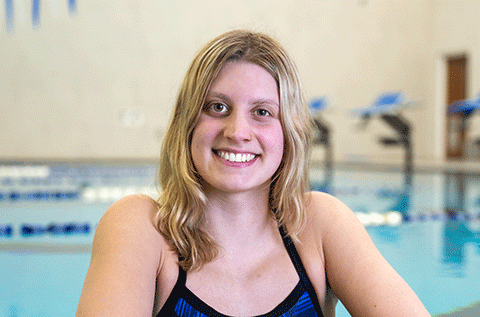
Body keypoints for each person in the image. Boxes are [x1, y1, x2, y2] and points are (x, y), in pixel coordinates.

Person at [76, 29, 431, 317]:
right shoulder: (141, 228)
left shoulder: (319, 227)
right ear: (187, 124)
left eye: (262, 112)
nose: (237, 131)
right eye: (217, 107)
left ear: (287, 131)